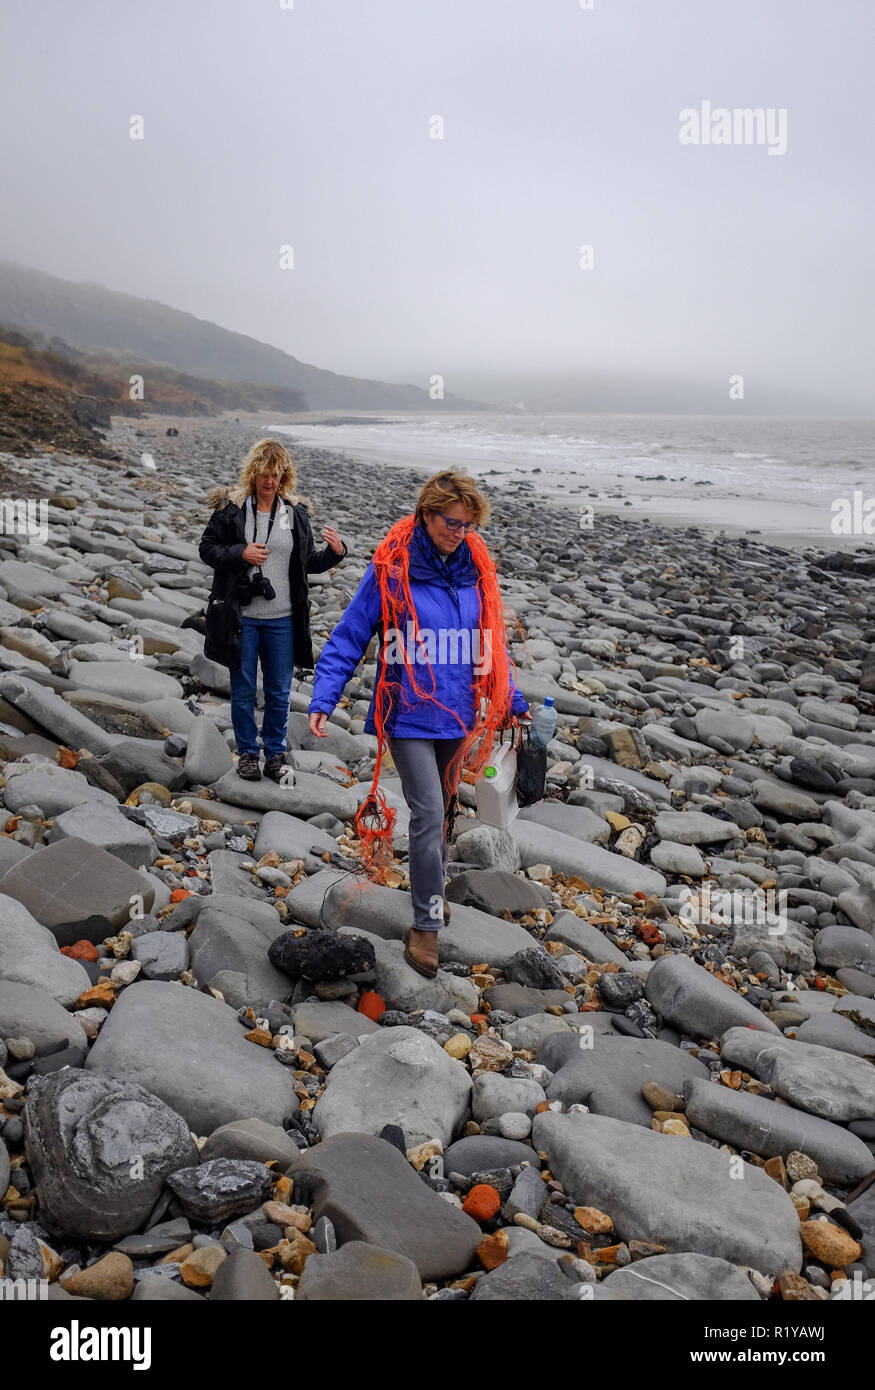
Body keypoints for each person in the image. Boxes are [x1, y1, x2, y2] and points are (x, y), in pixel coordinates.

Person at [308, 469, 530, 977]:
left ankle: (429, 884)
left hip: (458, 714)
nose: (460, 533)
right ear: (426, 515)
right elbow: (350, 633)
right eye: (452, 523)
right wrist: (325, 696)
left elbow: (489, 646)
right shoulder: (392, 568)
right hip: (407, 711)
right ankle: (425, 924)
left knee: (446, 809)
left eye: (469, 525)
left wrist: (512, 701)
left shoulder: (474, 568)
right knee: (428, 812)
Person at [199, 438, 345, 781]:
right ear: (253, 474)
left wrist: (336, 552)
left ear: (284, 478)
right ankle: (248, 753)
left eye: (276, 475)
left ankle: (276, 754)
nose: (270, 481)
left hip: (283, 619)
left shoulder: (294, 514)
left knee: (279, 691)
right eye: (264, 474)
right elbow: (207, 549)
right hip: (242, 617)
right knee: (244, 689)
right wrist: (241, 553)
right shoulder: (232, 511)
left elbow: (306, 563)